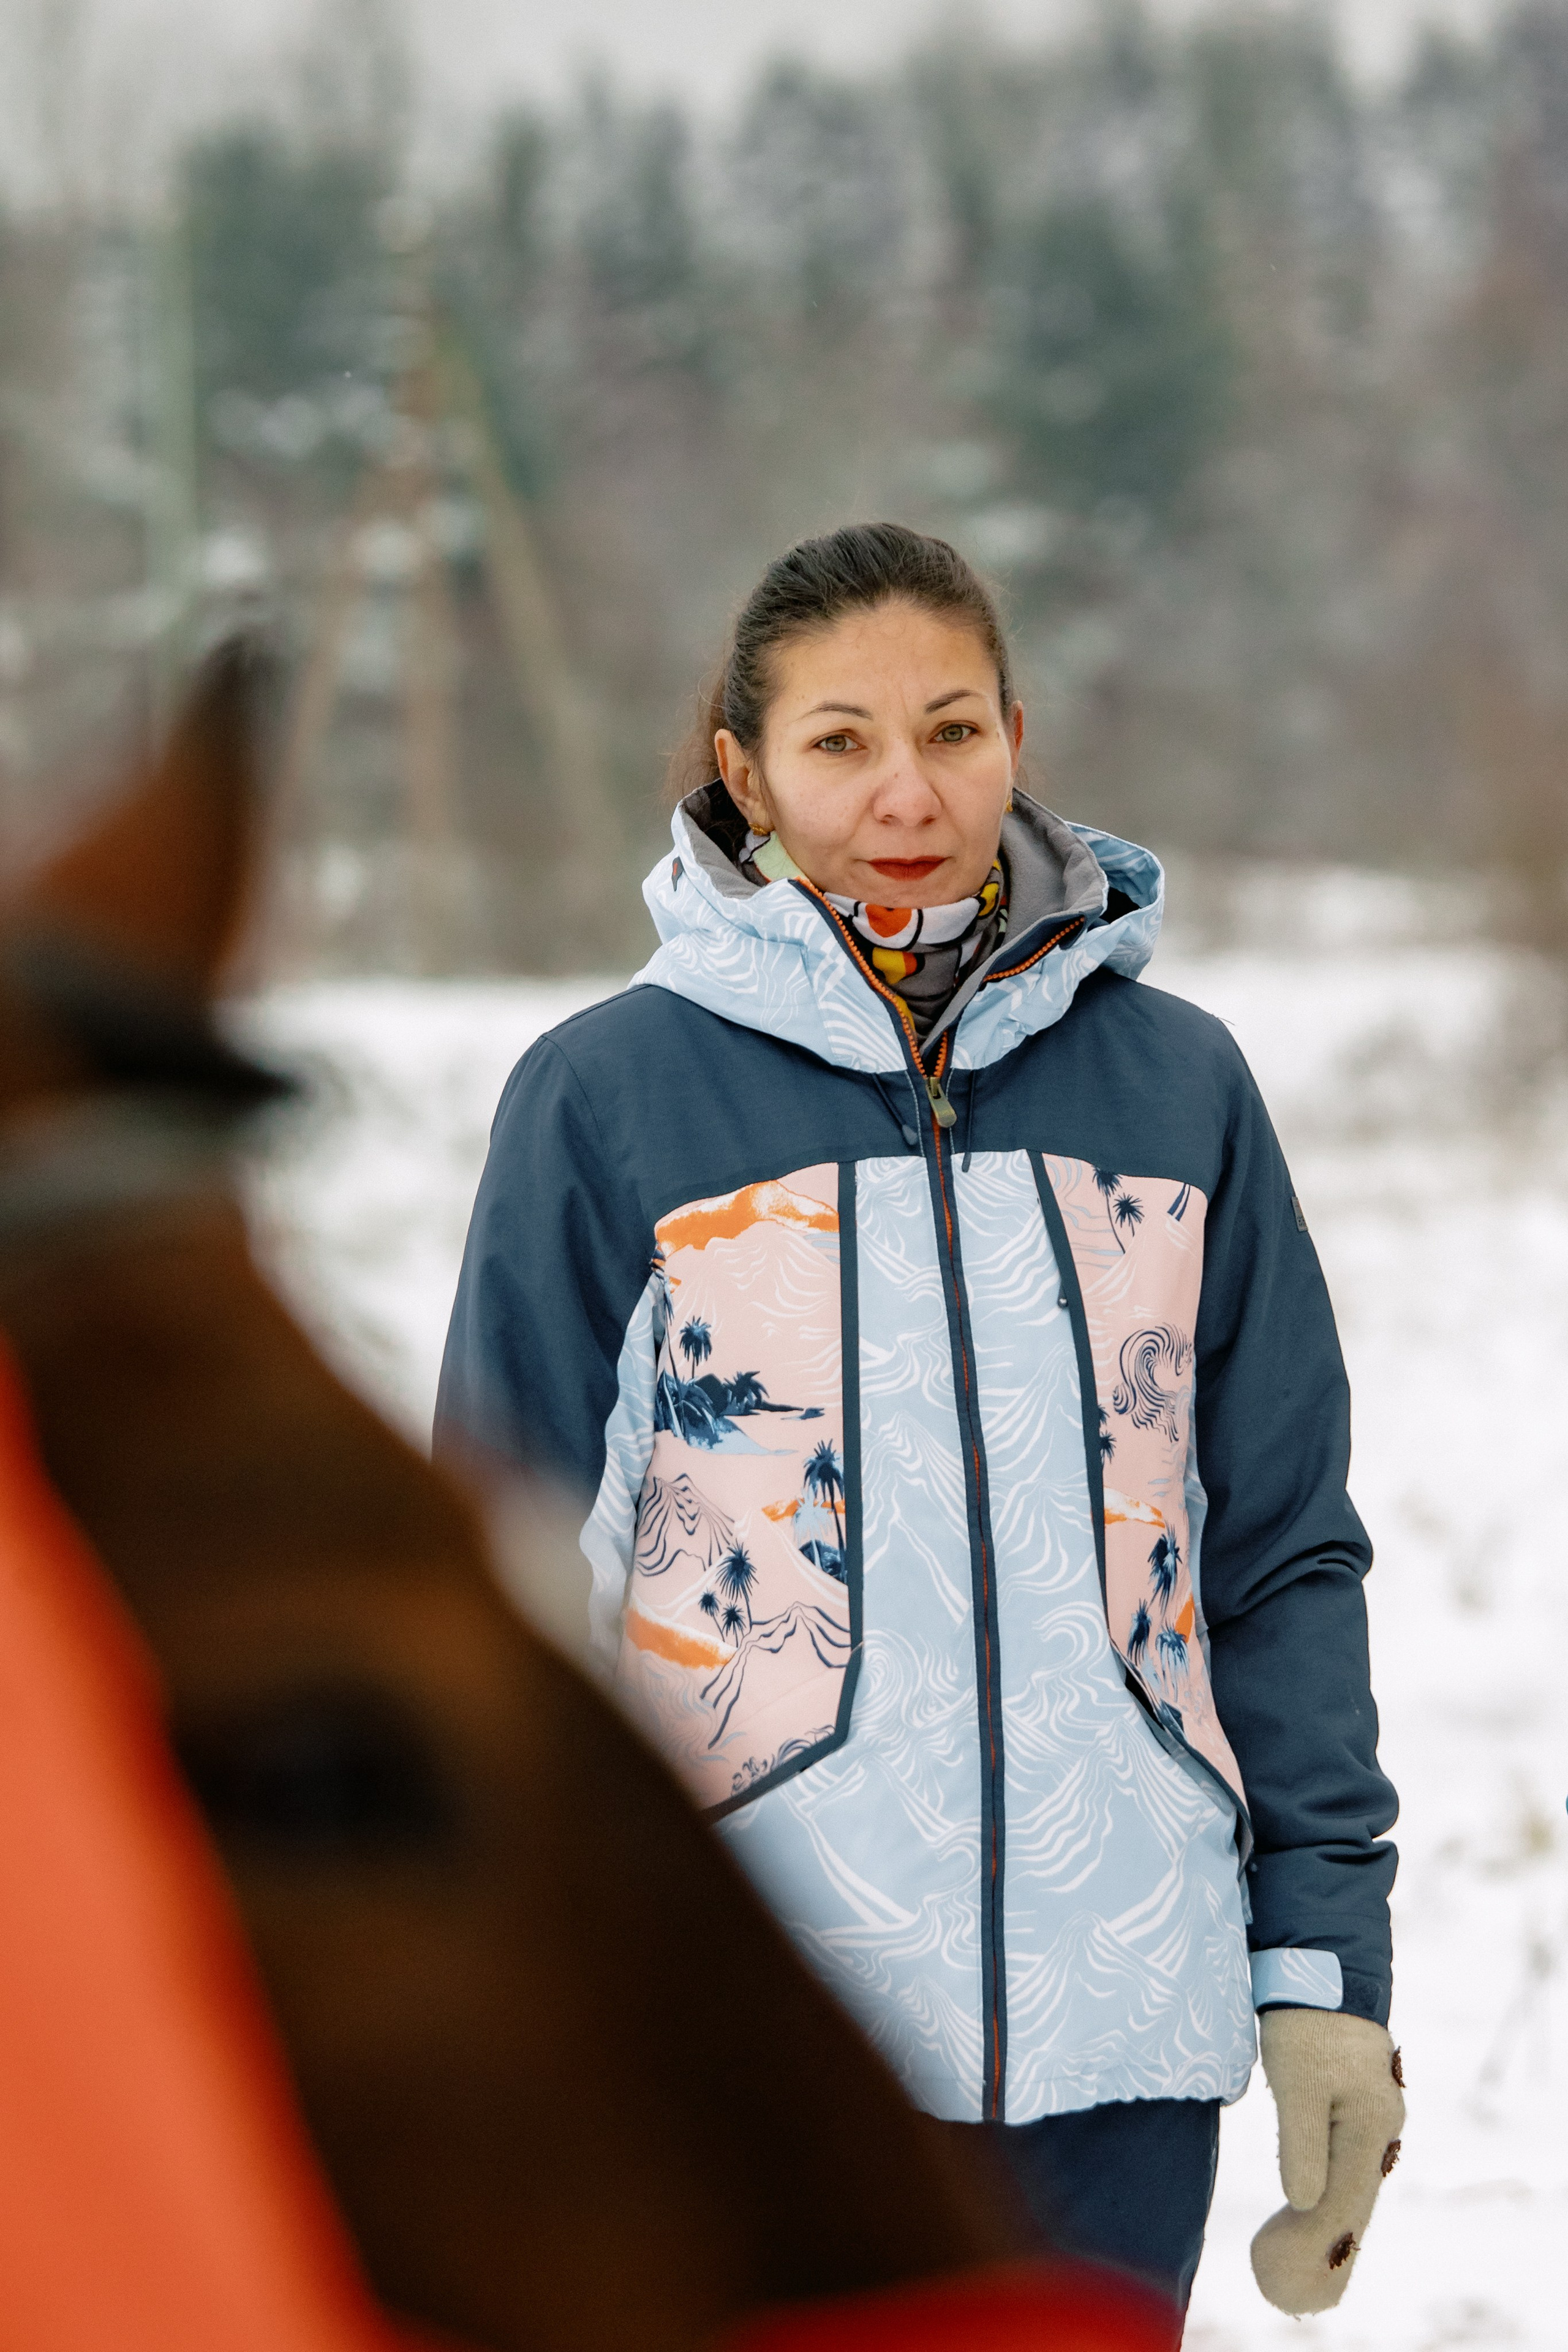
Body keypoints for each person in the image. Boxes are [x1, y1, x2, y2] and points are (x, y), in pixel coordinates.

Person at [435, 522, 1403, 2320]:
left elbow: (1281, 1547)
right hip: (749, 2039)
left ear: (1020, 740)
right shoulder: (605, 1099)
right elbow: (494, 1579)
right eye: (840, 741)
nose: (907, 791)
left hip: (1125, 2033)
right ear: (744, 771)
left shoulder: (1176, 1089)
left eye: (954, 732)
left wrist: (1323, 1970)